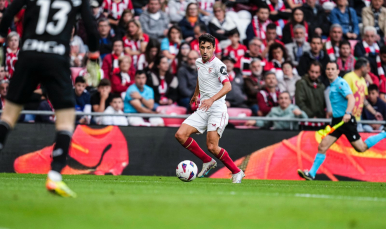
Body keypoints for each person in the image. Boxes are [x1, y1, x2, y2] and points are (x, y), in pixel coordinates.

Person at [0, 0, 99, 196]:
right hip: (56, 58)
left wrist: (3, 39)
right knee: (66, 118)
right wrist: (94, 58)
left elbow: (9, 10)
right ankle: (54, 175)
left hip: (28, 55)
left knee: (8, 117)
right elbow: (92, 30)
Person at [174, 33, 245, 183]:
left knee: (212, 146)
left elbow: (228, 86)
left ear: (213, 48)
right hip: (203, 108)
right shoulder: (199, 62)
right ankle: (208, 161)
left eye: (208, 47)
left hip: (217, 109)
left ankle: (237, 171)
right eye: (202, 47)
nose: (205, 51)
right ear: (198, 47)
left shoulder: (219, 65)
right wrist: (196, 94)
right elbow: (201, 77)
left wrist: (212, 99)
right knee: (180, 135)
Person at [297, 61, 386, 181]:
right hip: (337, 121)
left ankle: (384, 133)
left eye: (333, 69)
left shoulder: (340, 83)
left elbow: (351, 98)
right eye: (328, 69)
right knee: (323, 146)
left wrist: (348, 113)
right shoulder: (332, 84)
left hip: (346, 121)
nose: (330, 71)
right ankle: (312, 174)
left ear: (338, 71)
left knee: (361, 148)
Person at [343, 58, 383, 122]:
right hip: (347, 117)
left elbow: (363, 100)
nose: (368, 71)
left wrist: (375, 113)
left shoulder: (363, 80)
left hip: (358, 119)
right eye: (367, 68)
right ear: (362, 68)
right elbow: (343, 97)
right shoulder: (348, 77)